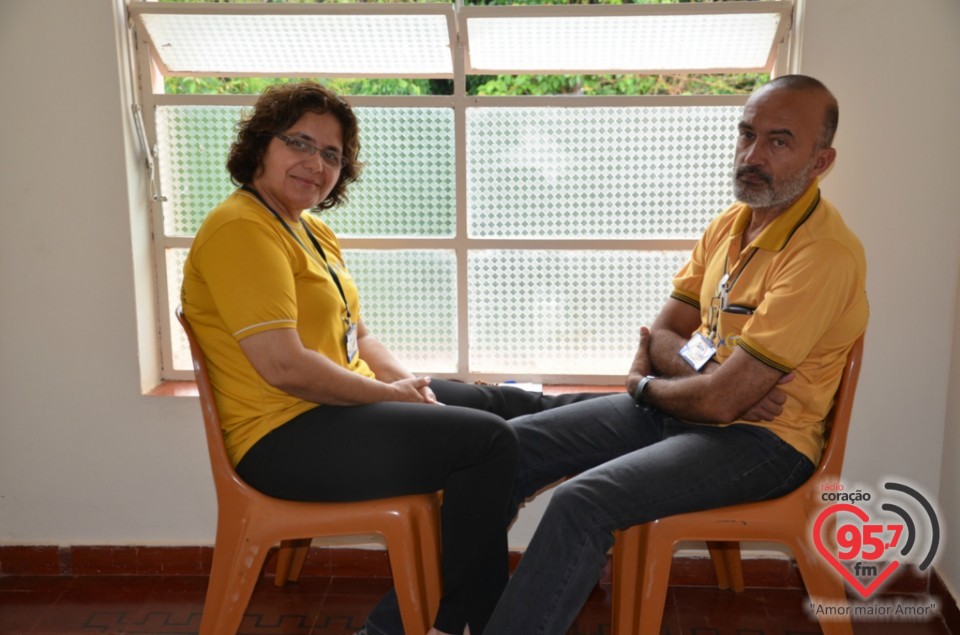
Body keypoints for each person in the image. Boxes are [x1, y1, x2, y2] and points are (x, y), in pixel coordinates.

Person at [179, 81, 594, 635]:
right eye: (299, 143)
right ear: (261, 145)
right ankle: (468, 620)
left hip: (339, 409)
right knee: (488, 442)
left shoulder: (311, 229)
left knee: (500, 404)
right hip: (284, 437)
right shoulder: (241, 229)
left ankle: (635, 418)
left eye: (331, 154)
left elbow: (360, 335)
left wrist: (411, 386)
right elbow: (285, 367)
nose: (316, 164)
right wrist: (390, 396)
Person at [482, 74, 869, 634]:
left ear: (820, 161)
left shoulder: (823, 254)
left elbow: (715, 402)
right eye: (746, 135)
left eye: (778, 141)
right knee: (507, 450)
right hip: (688, 413)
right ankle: (437, 619)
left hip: (765, 441)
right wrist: (712, 377)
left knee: (581, 503)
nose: (752, 155)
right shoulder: (729, 224)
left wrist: (649, 385)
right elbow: (667, 333)